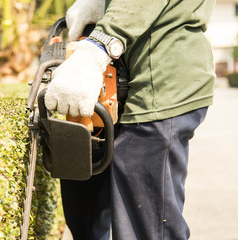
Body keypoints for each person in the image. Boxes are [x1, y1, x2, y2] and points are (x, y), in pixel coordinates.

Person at [44, 0, 216, 239]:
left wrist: (98, 46)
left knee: (147, 229)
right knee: (84, 216)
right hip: (105, 85)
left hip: (156, 83)